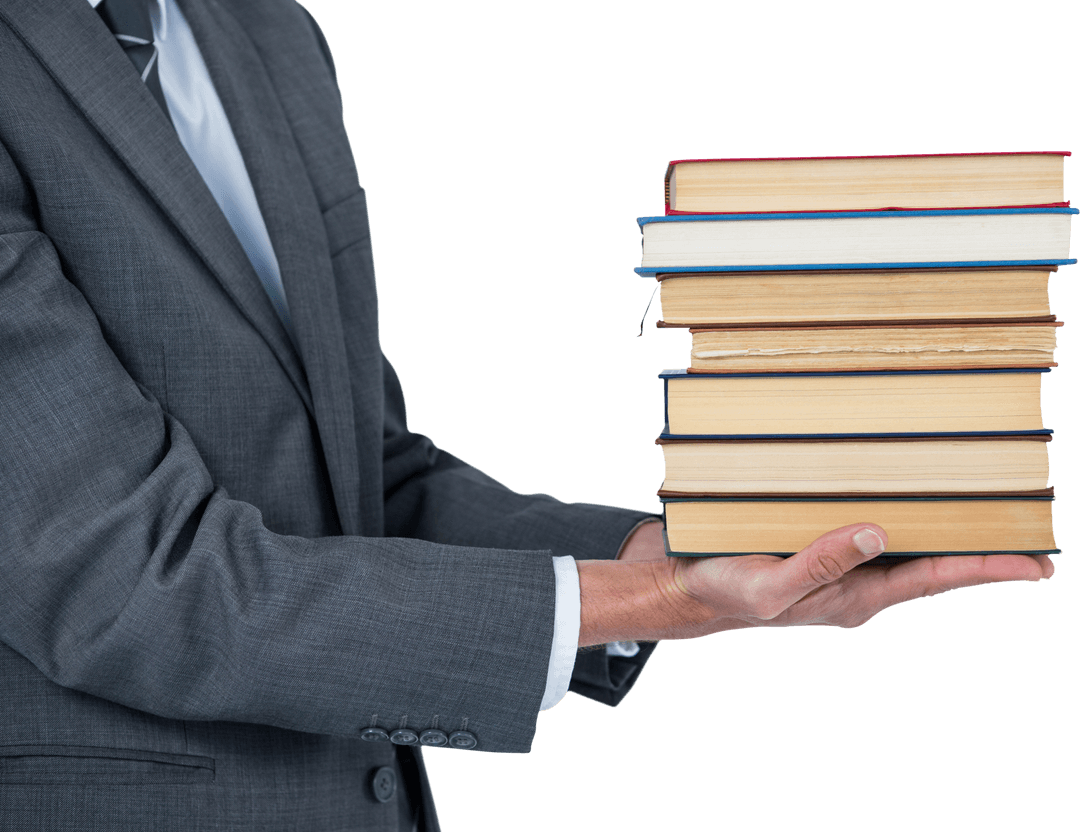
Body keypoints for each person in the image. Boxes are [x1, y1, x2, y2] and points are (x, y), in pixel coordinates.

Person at [0, 1, 1053, 830]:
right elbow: (127, 580)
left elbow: (361, 473)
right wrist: (651, 598)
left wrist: (685, 552)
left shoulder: (265, 32)